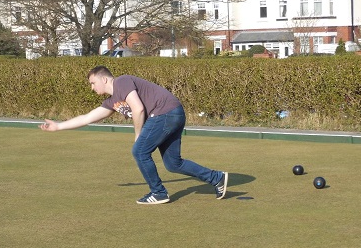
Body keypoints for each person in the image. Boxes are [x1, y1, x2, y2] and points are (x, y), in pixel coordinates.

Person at [39, 65, 228, 204]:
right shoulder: (113, 101)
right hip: (173, 113)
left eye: (92, 83)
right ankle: (216, 177)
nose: (92, 87)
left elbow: (138, 109)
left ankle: (158, 192)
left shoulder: (121, 82)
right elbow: (87, 118)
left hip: (165, 113)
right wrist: (59, 126)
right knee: (173, 164)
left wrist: (138, 135)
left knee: (139, 151)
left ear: (104, 79)